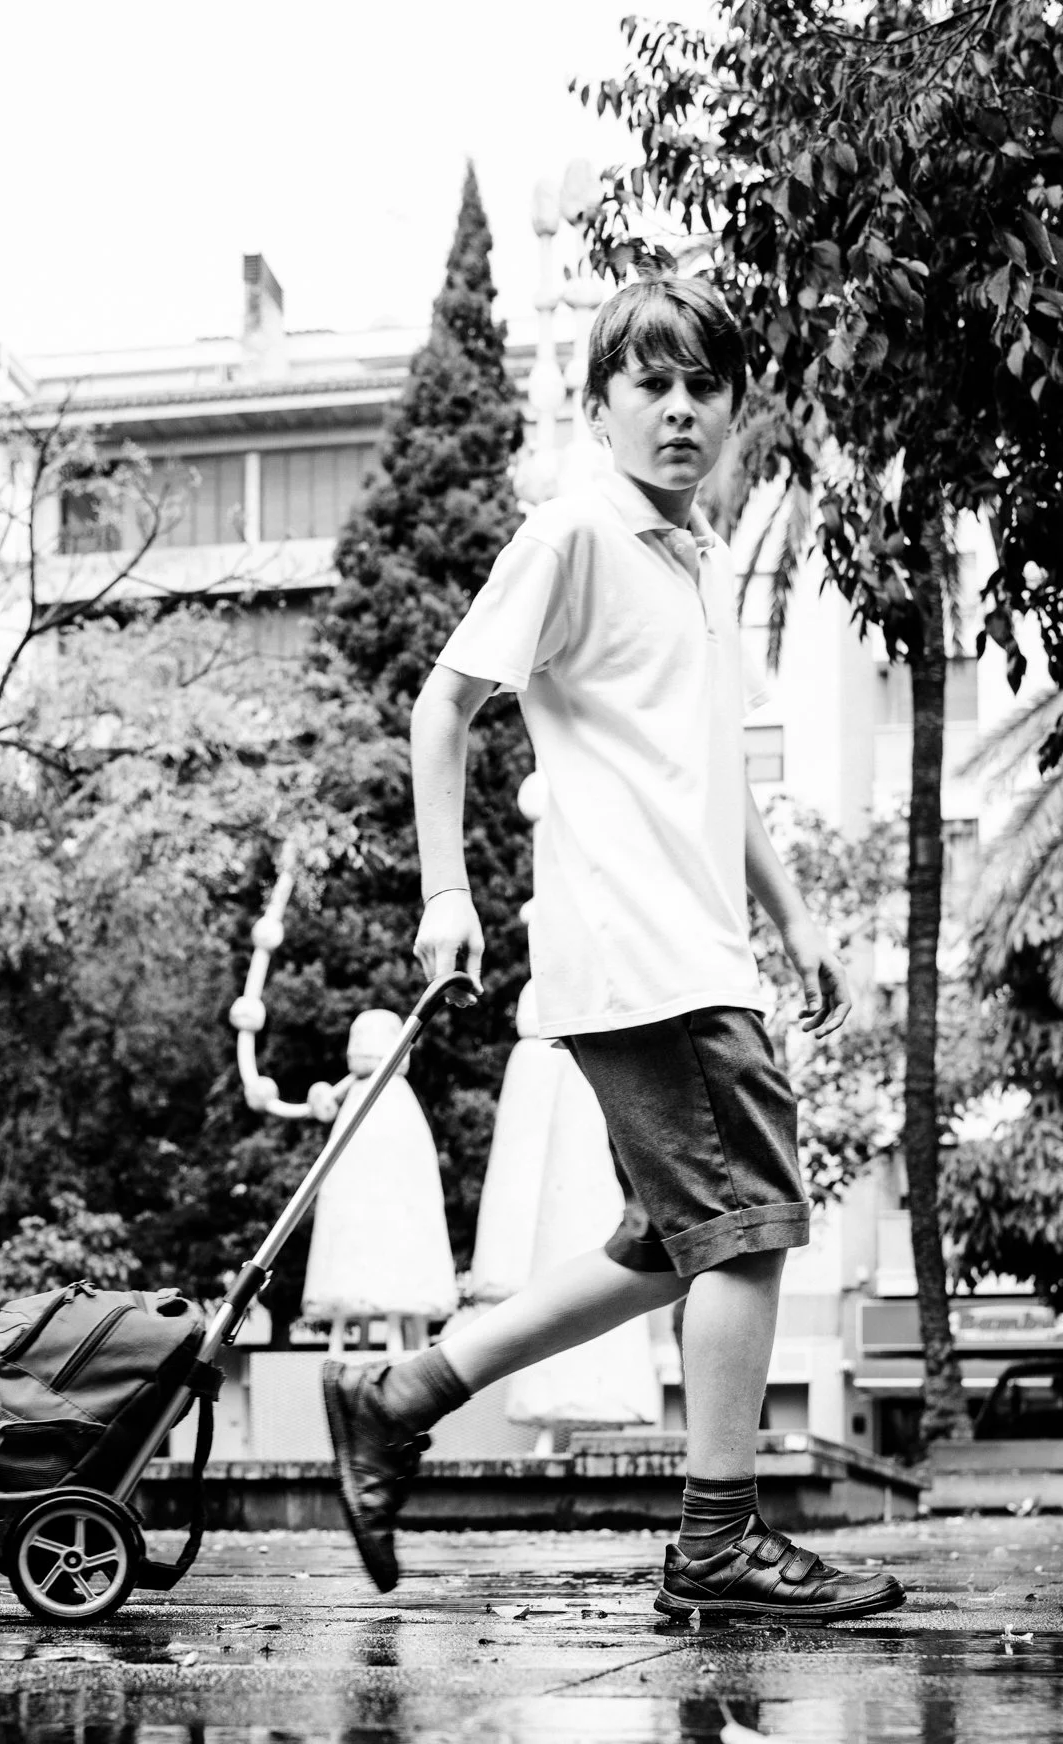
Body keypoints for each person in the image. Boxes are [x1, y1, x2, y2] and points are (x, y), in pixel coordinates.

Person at [322, 273, 905, 1623]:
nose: (681, 409)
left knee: (667, 1243)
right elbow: (442, 706)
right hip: (638, 946)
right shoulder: (577, 533)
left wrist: (795, 918)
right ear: (599, 409)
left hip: (698, 943)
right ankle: (717, 1542)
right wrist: (446, 892)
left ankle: (400, 1400)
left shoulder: (696, 562)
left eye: (706, 386)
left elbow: (713, 774)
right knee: (749, 1224)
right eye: (652, 385)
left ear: (737, 409)